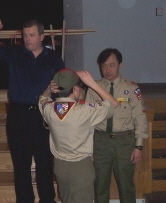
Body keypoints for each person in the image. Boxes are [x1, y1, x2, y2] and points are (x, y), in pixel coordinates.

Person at [0, 18, 65, 203]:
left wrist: (60, 92)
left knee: (45, 163)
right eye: (25, 35)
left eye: (31, 35)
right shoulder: (15, 54)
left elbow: (64, 86)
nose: (27, 39)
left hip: (44, 115)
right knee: (21, 166)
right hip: (18, 115)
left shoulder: (53, 58)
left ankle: (47, 199)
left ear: (42, 36)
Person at [38, 68, 118, 203]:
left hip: (60, 167)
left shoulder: (49, 109)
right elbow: (113, 104)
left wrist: (48, 88)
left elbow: (42, 99)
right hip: (80, 167)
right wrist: (92, 84)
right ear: (75, 90)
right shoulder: (85, 111)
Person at [85, 48, 149, 203]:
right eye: (104, 66)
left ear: (120, 65)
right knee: (100, 185)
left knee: (127, 186)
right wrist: (88, 148)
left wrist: (138, 146)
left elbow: (140, 118)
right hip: (100, 142)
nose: (107, 70)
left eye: (112, 65)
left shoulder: (131, 88)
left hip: (124, 142)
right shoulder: (94, 88)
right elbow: (87, 120)